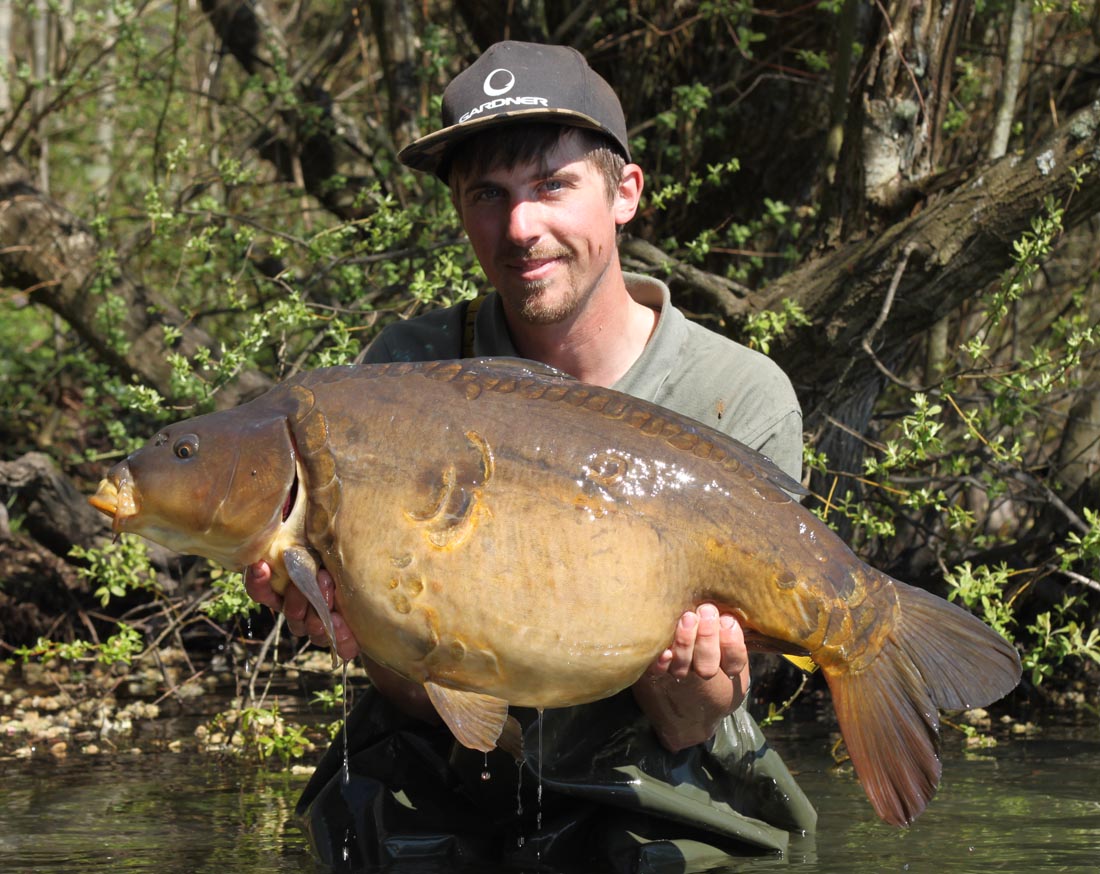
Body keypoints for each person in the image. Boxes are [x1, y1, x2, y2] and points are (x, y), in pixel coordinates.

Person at [246, 40, 817, 872]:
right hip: (444, 759)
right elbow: (415, 687)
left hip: (658, 766)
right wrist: (356, 629)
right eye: (489, 194)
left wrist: (693, 696)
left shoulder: (737, 394)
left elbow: (694, 721)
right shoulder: (403, 374)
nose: (520, 228)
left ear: (625, 193)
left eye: (552, 186)